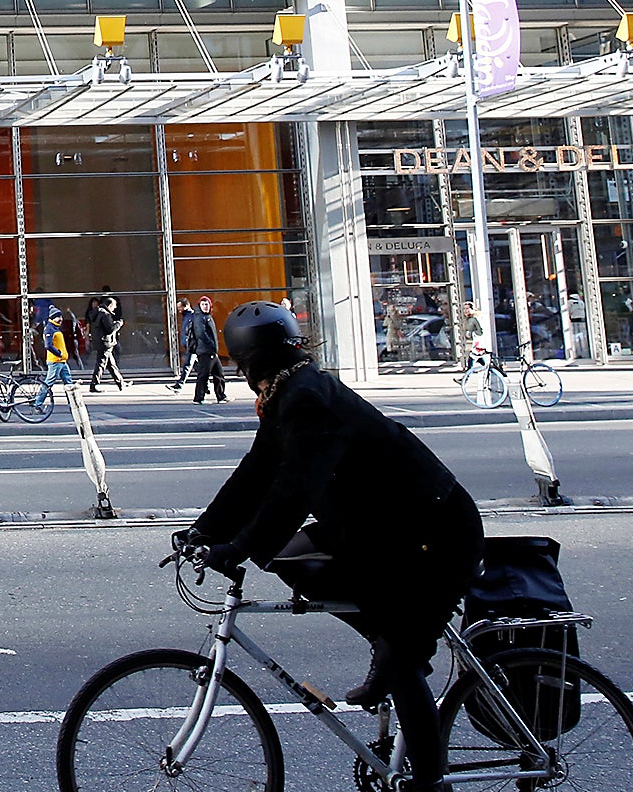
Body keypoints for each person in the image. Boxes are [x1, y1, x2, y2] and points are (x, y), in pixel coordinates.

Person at [182, 302, 483, 792]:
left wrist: (235, 548)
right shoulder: (290, 391)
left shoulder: (306, 399)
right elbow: (256, 472)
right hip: (385, 531)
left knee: (401, 661)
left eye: (240, 363)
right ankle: (385, 640)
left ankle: (430, 782)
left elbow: (292, 490)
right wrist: (203, 531)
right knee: (291, 556)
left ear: (252, 359)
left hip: (435, 534)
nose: (240, 373)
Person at [187, 295, 227, 404]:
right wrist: (211, 345)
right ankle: (199, 398)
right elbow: (201, 334)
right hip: (206, 351)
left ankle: (221, 396)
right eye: (203, 304)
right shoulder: (200, 317)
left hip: (211, 351)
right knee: (203, 375)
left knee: (219, 374)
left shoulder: (207, 316)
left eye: (207, 304)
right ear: (199, 306)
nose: (205, 306)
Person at [87, 293, 126, 392]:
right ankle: (94, 384)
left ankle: (120, 383)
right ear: (110, 305)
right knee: (101, 364)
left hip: (100, 342)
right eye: (114, 305)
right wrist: (118, 324)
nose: (115, 307)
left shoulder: (97, 313)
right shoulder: (105, 314)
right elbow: (110, 329)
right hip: (105, 343)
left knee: (111, 364)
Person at [167, 299, 197, 389]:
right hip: (189, 344)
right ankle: (207, 386)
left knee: (187, 364)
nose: (179, 309)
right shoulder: (186, 316)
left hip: (192, 345)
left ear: (186, 306)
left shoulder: (192, 316)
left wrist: (190, 341)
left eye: (180, 307)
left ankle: (179, 385)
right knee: (198, 367)